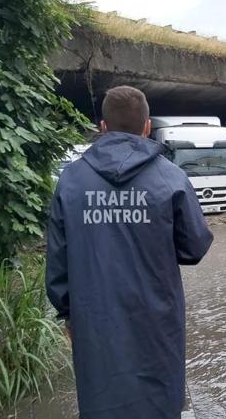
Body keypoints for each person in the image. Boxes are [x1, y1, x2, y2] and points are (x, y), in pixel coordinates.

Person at [46, 85, 213, 419]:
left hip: (94, 321)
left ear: (103, 127)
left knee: (101, 401)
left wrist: (68, 314)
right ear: (147, 126)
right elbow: (194, 247)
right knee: (160, 403)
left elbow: (58, 264)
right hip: (157, 321)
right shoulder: (172, 178)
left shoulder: (71, 181)